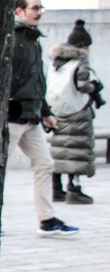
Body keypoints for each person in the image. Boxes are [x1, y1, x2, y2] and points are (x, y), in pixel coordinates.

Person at [11, 0, 79, 236]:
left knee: (45, 163)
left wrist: (45, 112)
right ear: (20, 11)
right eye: (35, 8)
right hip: (13, 117)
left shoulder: (32, 39)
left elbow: (37, 80)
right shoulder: (12, 38)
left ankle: (47, 220)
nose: (39, 12)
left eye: (41, 7)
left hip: (31, 117)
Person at [48, 19, 104, 204]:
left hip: (56, 111)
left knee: (58, 150)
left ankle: (56, 189)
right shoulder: (80, 62)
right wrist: (94, 86)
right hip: (77, 111)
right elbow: (82, 86)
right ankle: (74, 189)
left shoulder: (56, 62)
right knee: (77, 151)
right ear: (82, 45)